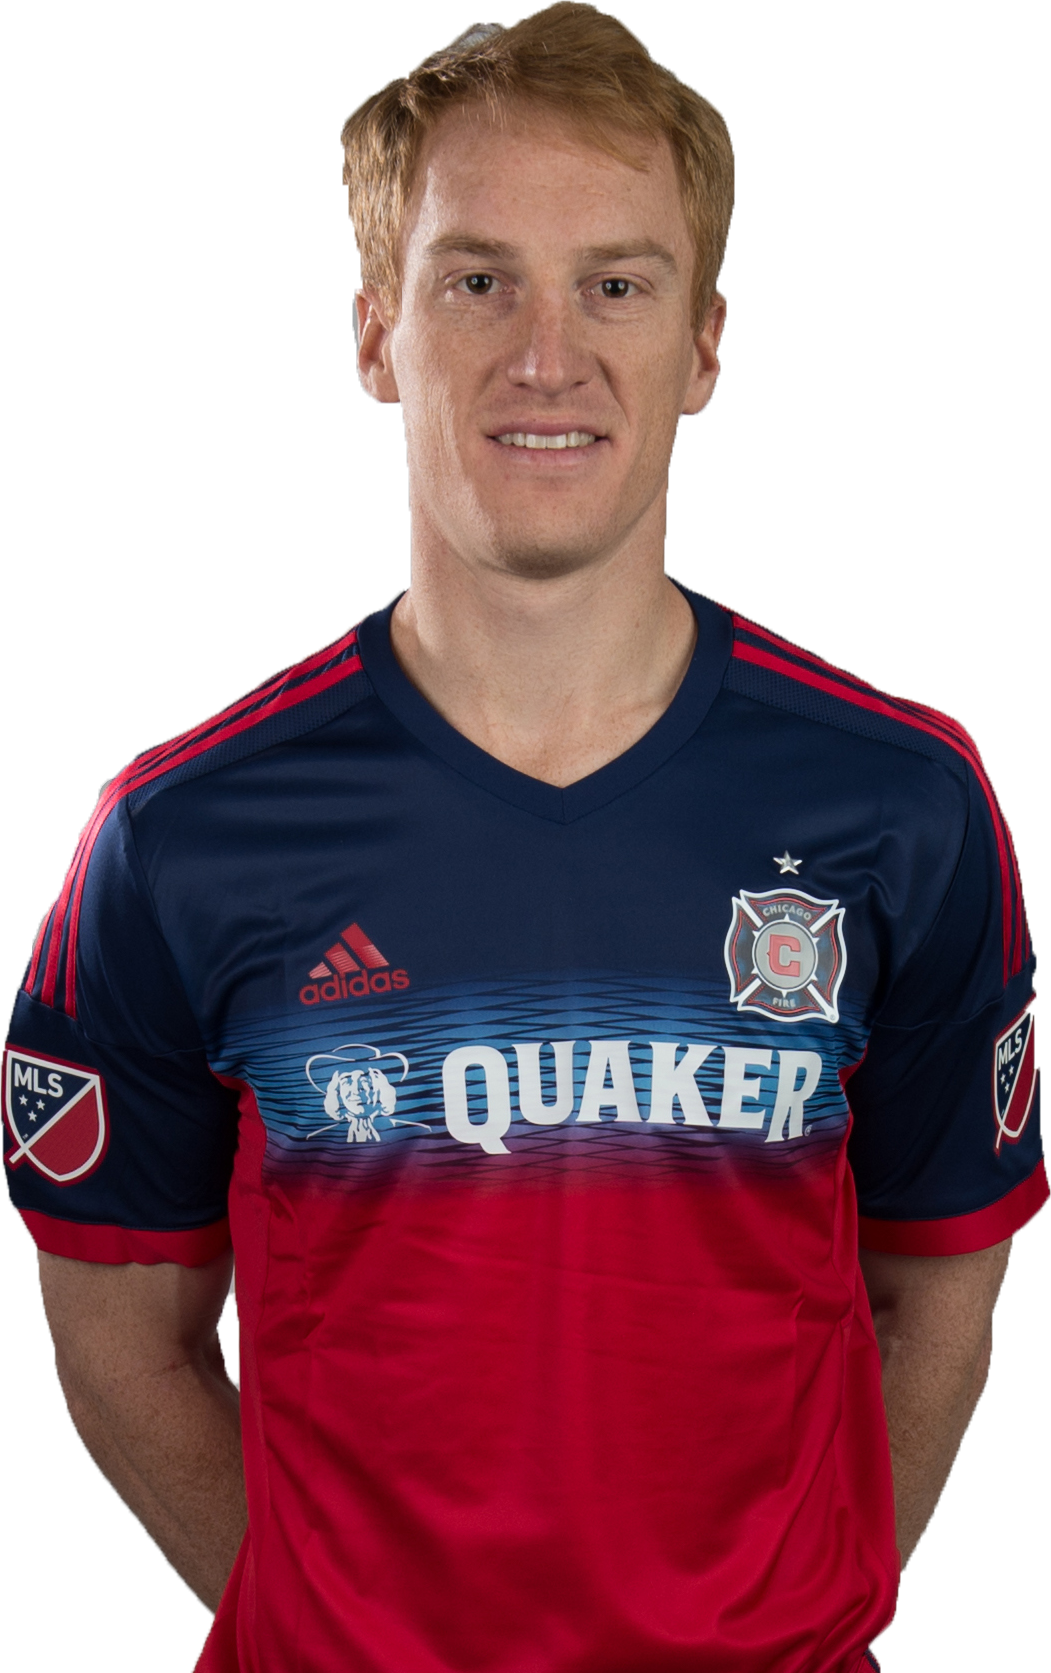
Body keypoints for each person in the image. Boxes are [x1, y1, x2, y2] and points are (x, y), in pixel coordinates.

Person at [2, 5, 1044, 1670]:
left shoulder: (898, 801)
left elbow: (940, 1293)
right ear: (375, 333)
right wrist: (335, 1632)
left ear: (704, 347)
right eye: (476, 280)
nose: (545, 356)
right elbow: (122, 1339)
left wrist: (793, 1623)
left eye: (614, 285)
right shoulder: (181, 835)